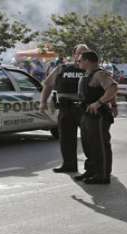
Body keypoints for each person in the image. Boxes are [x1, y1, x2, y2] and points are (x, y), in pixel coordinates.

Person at [40, 44, 89, 174]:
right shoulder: (62, 68)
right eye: (79, 53)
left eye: (85, 53)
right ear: (74, 55)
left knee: (89, 139)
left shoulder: (92, 70)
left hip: (85, 109)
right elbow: (47, 84)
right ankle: (69, 164)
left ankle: (92, 167)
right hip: (65, 108)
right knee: (66, 139)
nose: (81, 56)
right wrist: (43, 102)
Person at [77, 51, 118, 185]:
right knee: (88, 145)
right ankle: (91, 170)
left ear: (88, 61)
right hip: (86, 113)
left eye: (80, 60)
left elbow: (112, 87)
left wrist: (99, 103)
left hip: (98, 115)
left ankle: (102, 175)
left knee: (99, 145)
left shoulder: (99, 74)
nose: (78, 63)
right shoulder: (87, 74)